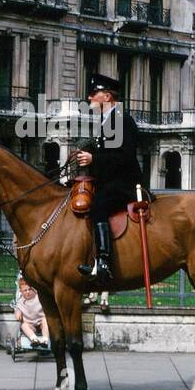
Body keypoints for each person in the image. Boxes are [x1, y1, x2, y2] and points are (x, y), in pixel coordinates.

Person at [73, 72, 144, 285]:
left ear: (107, 97)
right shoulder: (108, 121)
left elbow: (124, 156)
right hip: (109, 181)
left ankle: (103, 263)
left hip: (125, 183)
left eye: (94, 93)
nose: (89, 98)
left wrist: (93, 158)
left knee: (98, 207)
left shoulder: (123, 120)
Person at [14, 276, 50, 350]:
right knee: (24, 325)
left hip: (41, 323)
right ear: (21, 291)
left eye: (29, 289)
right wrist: (18, 314)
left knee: (45, 320)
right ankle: (34, 339)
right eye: (25, 290)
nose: (28, 292)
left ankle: (45, 340)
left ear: (34, 289)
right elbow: (17, 310)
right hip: (30, 324)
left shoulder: (39, 297)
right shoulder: (20, 302)